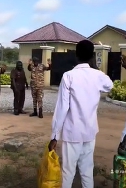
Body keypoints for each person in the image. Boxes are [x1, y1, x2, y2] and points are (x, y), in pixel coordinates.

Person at [48, 40, 114, 188]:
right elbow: (110, 85)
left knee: (68, 172)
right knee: (87, 171)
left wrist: (54, 136)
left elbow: (62, 109)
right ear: (92, 56)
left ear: (76, 55)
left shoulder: (68, 76)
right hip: (90, 132)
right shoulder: (98, 76)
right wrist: (95, 68)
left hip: (72, 133)